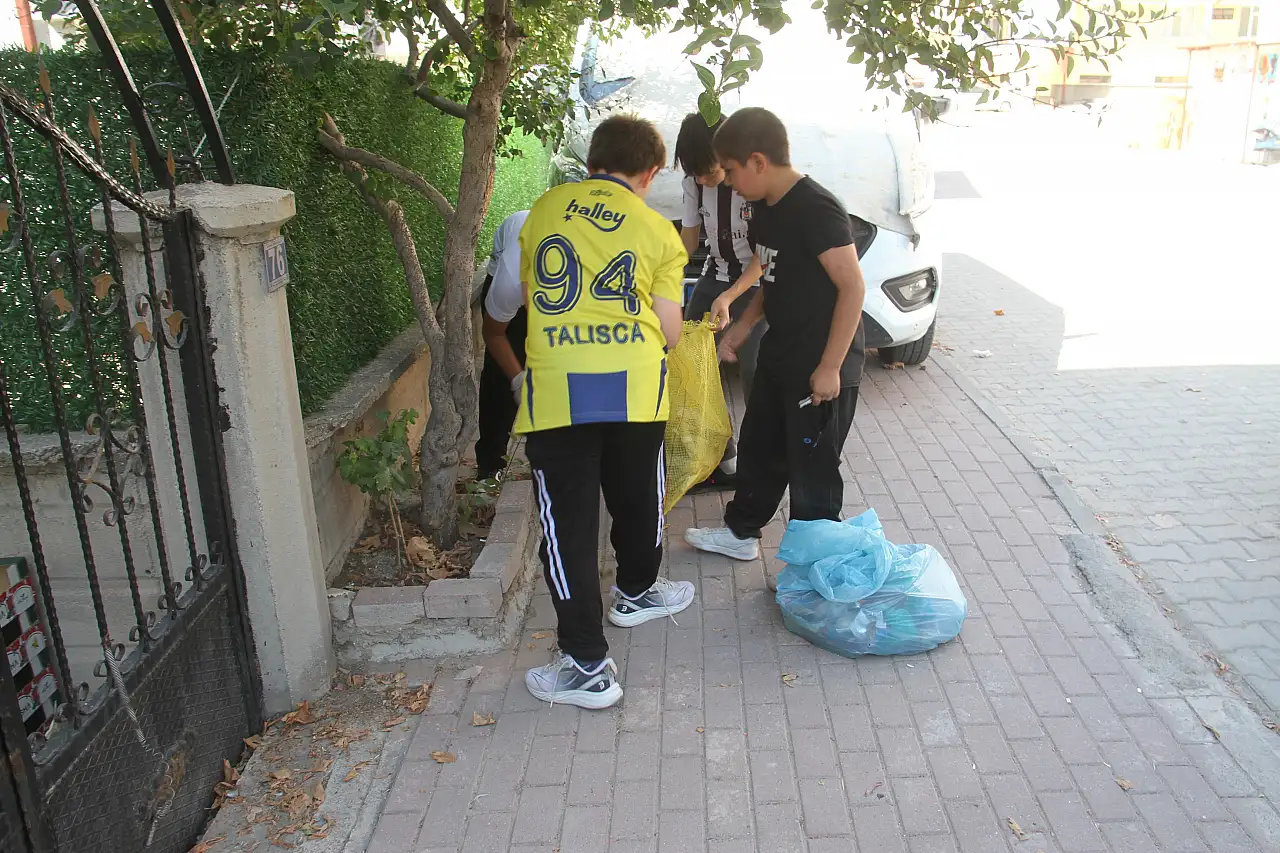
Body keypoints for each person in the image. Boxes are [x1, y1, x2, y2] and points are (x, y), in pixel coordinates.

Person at [517, 114, 696, 709]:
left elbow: (518, 298)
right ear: (650, 173)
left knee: (566, 527)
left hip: (558, 393)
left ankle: (587, 664)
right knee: (638, 495)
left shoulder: (542, 211)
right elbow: (669, 331)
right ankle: (637, 593)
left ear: (593, 160)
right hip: (634, 390)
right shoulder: (657, 230)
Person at [684, 107, 867, 588]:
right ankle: (742, 532)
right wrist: (745, 325)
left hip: (823, 364)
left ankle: (815, 566)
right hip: (781, 350)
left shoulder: (818, 209)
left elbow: (853, 289)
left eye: (731, 170)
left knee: (812, 466)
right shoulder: (764, 208)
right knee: (761, 445)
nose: (728, 181)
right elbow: (770, 272)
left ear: (759, 161)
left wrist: (830, 367)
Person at [674, 112, 764, 492]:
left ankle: (759, 464)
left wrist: (730, 296)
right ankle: (723, 461)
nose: (702, 179)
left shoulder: (752, 184)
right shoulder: (695, 183)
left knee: (754, 372)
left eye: (708, 171)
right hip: (715, 278)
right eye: (694, 172)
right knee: (688, 362)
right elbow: (688, 242)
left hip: (754, 285)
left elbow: (764, 260)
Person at [476, 210, 529, 481]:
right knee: (500, 379)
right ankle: (490, 467)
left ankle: (544, 458)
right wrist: (518, 379)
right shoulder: (510, 282)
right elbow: (494, 334)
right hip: (506, 293)